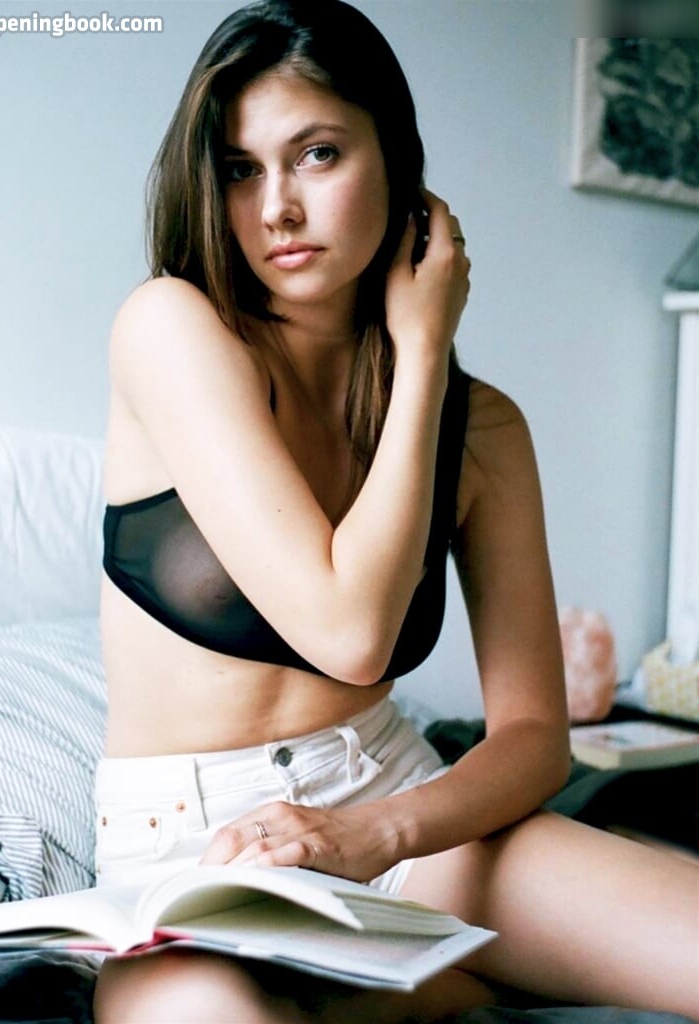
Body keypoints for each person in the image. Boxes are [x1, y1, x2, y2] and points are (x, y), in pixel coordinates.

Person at [92, 1, 699, 1020]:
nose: (276, 208)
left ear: (398, 164)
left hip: (396, 810)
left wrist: (376, 832)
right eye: (239, 169)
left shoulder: (483, 428)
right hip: (192, 852)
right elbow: (351, 633)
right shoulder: (171, 328)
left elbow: (534, 737)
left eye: (317, 153)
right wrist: (422, 350)